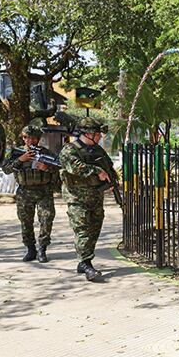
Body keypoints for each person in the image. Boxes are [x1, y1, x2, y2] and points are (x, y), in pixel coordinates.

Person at [59, 117, 116, 282]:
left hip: (96, 197)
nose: (100, 137)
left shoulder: (98, 150)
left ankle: (83, 261)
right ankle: (86, 263)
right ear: (89, 134)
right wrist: (96, 171)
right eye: (98, 134)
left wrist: (112, 181)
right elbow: (75, 167)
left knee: (94, 229)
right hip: (77, 198)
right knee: (83, 230)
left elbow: (109, 167)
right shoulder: (70, 150)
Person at [1, 124, 59, 263]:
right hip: (25, 192)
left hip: (44, 190)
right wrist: (21, 159)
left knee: (46, 219)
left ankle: (42, 249)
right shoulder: (17, 153)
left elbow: (58, 169)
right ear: (23, 138)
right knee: (26, 221)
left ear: (38, 139)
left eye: (33, 138)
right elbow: (6, 169)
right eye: (26, 138)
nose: (30, 141)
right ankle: (30, 249)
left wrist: (46, 168)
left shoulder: (46, 153)